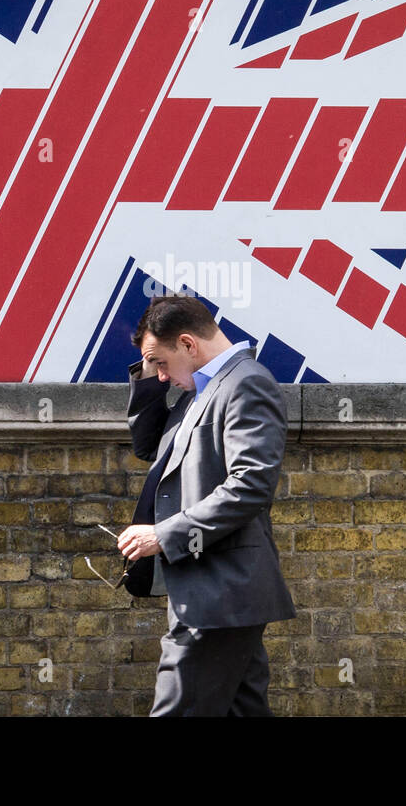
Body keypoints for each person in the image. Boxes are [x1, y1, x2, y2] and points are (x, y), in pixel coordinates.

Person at [120, 293, 296, 716]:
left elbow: (251, 486)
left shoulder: (245, 383)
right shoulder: (193, 395)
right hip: (212, 591)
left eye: (161, 362)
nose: (160, 376)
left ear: (187, 344)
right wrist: (149, 363)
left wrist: (164, 535)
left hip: (220, 592)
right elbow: (147, 446)